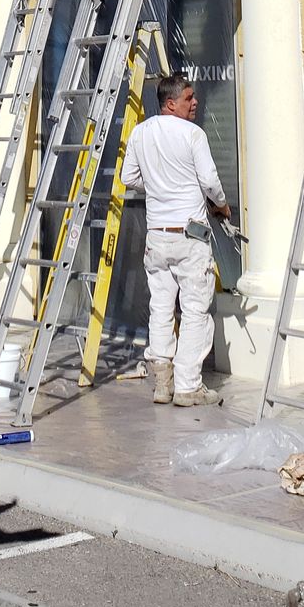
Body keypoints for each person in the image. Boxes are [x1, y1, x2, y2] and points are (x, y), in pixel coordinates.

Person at [120, 71, 230, 408]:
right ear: (171, 103)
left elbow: (128, 178)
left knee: (161, 308)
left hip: (157, 237)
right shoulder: (193, 135)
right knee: (196, 310)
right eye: (188, 98)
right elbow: (209, 181)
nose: (195, 103)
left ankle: (162, 385)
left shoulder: (140, 133)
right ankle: (187, 386)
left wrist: (157, 187)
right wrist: (222, 206)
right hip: (190, 235)